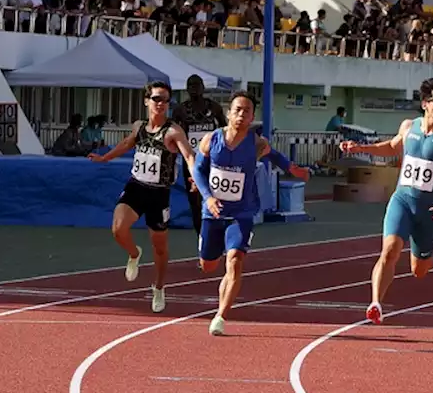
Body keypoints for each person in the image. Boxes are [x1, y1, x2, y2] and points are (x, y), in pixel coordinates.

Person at [339, 78, 433, 325]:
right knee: (390, 250)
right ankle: (375, 303)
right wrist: (359, 148)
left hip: (428, 211)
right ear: (425, 104)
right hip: (402, 201)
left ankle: (430, 237)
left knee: (419, 271)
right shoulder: (409, 127)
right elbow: (392, 147)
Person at [190, 92, 309, 335]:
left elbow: (274, 155)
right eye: (237, 109)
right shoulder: (211, 140)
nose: (242, 114)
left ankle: (220, 316)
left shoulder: (256, 143)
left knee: (235, 261)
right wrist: (208, 197)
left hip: (242, 213)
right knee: (209, 266)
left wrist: (292, 169)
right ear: (229, 112)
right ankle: (208, 249)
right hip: (212, 212)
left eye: (247, 111)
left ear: (252, 116)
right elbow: (199, 171)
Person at [89, 81, 198, 313]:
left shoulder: (173, 131)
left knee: (159, 247)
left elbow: (188, 155)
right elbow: (127, 143)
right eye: (157, 98)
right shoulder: (139, 126)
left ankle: (158, 287)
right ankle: (134, 253)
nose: (161, 104)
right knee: (118, 228)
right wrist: (104, 158)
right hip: (136, 186)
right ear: (147, 101)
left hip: (159, 193)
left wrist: (196, 176)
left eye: (166, 100)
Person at [171, 74, 226, 238]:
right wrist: (172, 163)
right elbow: (173, 137)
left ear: (203, 87)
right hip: (192, 162)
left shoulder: (214, 108)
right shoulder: (180, 110)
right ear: (187, 89)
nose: (194, 89)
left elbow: (225, 131)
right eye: (191, 86)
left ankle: (217, 234)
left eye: (197, 85)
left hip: (214, 161)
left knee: (216, 198)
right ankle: (202, 238)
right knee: (195, 203)